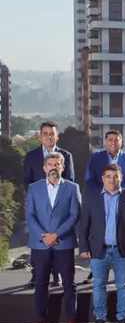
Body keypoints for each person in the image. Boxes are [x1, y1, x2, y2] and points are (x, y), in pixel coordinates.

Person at [78, 164, 125, 323]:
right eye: (108, 176)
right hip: (99, 249)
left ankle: (123, 317)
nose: (112, 180)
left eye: (115, 176)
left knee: (124, 285)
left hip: (123, 250)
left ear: (120, 178)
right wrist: (83, 246)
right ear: (102, 178)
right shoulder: (91, 197)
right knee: (99, 285)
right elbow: (84, 224)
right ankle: (100, 318)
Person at [25, 152, 81, 323]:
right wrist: (45, 236)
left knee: (69, 284)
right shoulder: (34, 188)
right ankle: (41, 321)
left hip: (63, 243)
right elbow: (30, 216)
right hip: (40, 244)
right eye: (50, 164)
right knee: (41, 284)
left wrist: (56, 234)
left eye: (57, 164)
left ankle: (71, 320)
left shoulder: (72, 188)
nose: (53, 167)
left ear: (63, 167)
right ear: (44, 167)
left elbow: (75, 215)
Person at [22, 121, 75, 289]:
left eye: (52, 133)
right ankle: (36, 275)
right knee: (39, 239)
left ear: (57, 136)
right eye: (45, 133)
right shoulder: (31, 156)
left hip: (59, 207)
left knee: (58, 239)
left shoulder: (66, 156)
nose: (49, 136)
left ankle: (57, 275)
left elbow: (70, 181)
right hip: (39, 207)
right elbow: (26, 180)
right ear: (40, 137)